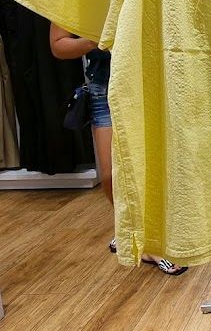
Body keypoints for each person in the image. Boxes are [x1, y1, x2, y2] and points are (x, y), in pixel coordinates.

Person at [50, 25, 188, 275]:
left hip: (150, 80)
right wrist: (95, 41)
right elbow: (58, 45)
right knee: (110, 175)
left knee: (153, 166)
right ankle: (130, 228)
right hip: (103, 84)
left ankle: (151, 241)